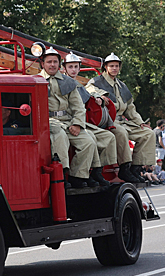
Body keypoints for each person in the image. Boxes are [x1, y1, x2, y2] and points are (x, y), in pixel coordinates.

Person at [86, 53, 155, 183]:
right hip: (108, 120)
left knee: (148, 133)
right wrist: (100, 95)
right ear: (105, 67)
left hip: (123, 121)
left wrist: (140, 123)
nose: (114, 68)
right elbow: (89, 90)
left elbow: (130, 109)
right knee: (121, 133)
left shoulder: (122, 85)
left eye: (116, 66)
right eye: (111, 66)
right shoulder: (96, 81)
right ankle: (124, 167)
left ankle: (136, 167)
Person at [39, 47, 100, 188]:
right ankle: (62, 175)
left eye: (55, 62)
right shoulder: (36, 80)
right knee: (60, 137)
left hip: (67, 121)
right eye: (49, 62)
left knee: (88, 142)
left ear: (59, 64)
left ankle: (77, 176)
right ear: (43, 64)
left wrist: (77, 123)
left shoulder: (68, 82)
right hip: (48, 121)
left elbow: (78, 106)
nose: (52, 65)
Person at [62, 52, 116, 186]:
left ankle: (96, 171)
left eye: (76, 67)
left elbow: (87, 92)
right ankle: (81, 174)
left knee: (108, 136)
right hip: (68, 121)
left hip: (80, 121)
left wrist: (97, 96)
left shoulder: (78, 84)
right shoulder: (63, 82)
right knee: (90, 137)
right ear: (64, 68)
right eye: (70, 67)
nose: (73, 70)